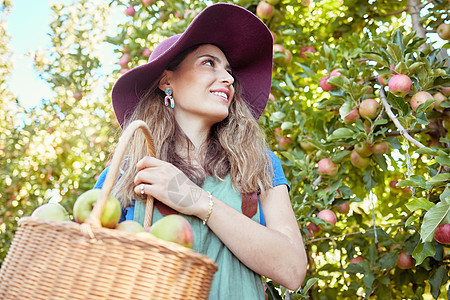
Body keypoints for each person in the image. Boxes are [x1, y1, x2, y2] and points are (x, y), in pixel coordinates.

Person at [94, 3, 307, 299]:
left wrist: (196, 200)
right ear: (167, 80)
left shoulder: (259, 165)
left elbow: (293, 270)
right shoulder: (125, 173)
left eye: (229, 70)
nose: (228, 78)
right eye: (209, 63)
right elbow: (96, 272)